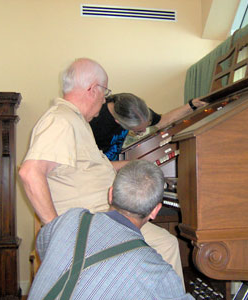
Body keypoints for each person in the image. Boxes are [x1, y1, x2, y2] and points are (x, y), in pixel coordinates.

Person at [19, 58, 184, 281]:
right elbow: (30, 173)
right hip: (91, 224)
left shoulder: (76, 122)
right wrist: (56, 233)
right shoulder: (61, 120)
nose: (104, 98)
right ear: (93, 89)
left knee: (163, 243)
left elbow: (92, 168)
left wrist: (134, 166)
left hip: (103, 217)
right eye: (104, 91)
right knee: (165, 245)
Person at [27, 160, 194, 300]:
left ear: (110, 194)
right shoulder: (156, 271)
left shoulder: (70, 218)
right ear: (155, 211)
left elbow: (44, 248)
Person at [90, 92, 208, 161]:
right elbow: (91, 165)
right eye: (139, 130)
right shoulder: (95, 122)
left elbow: (162, 121)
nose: (144, 131)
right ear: (118, 122)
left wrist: (191, 105)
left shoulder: (134, 109)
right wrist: (132, 164)